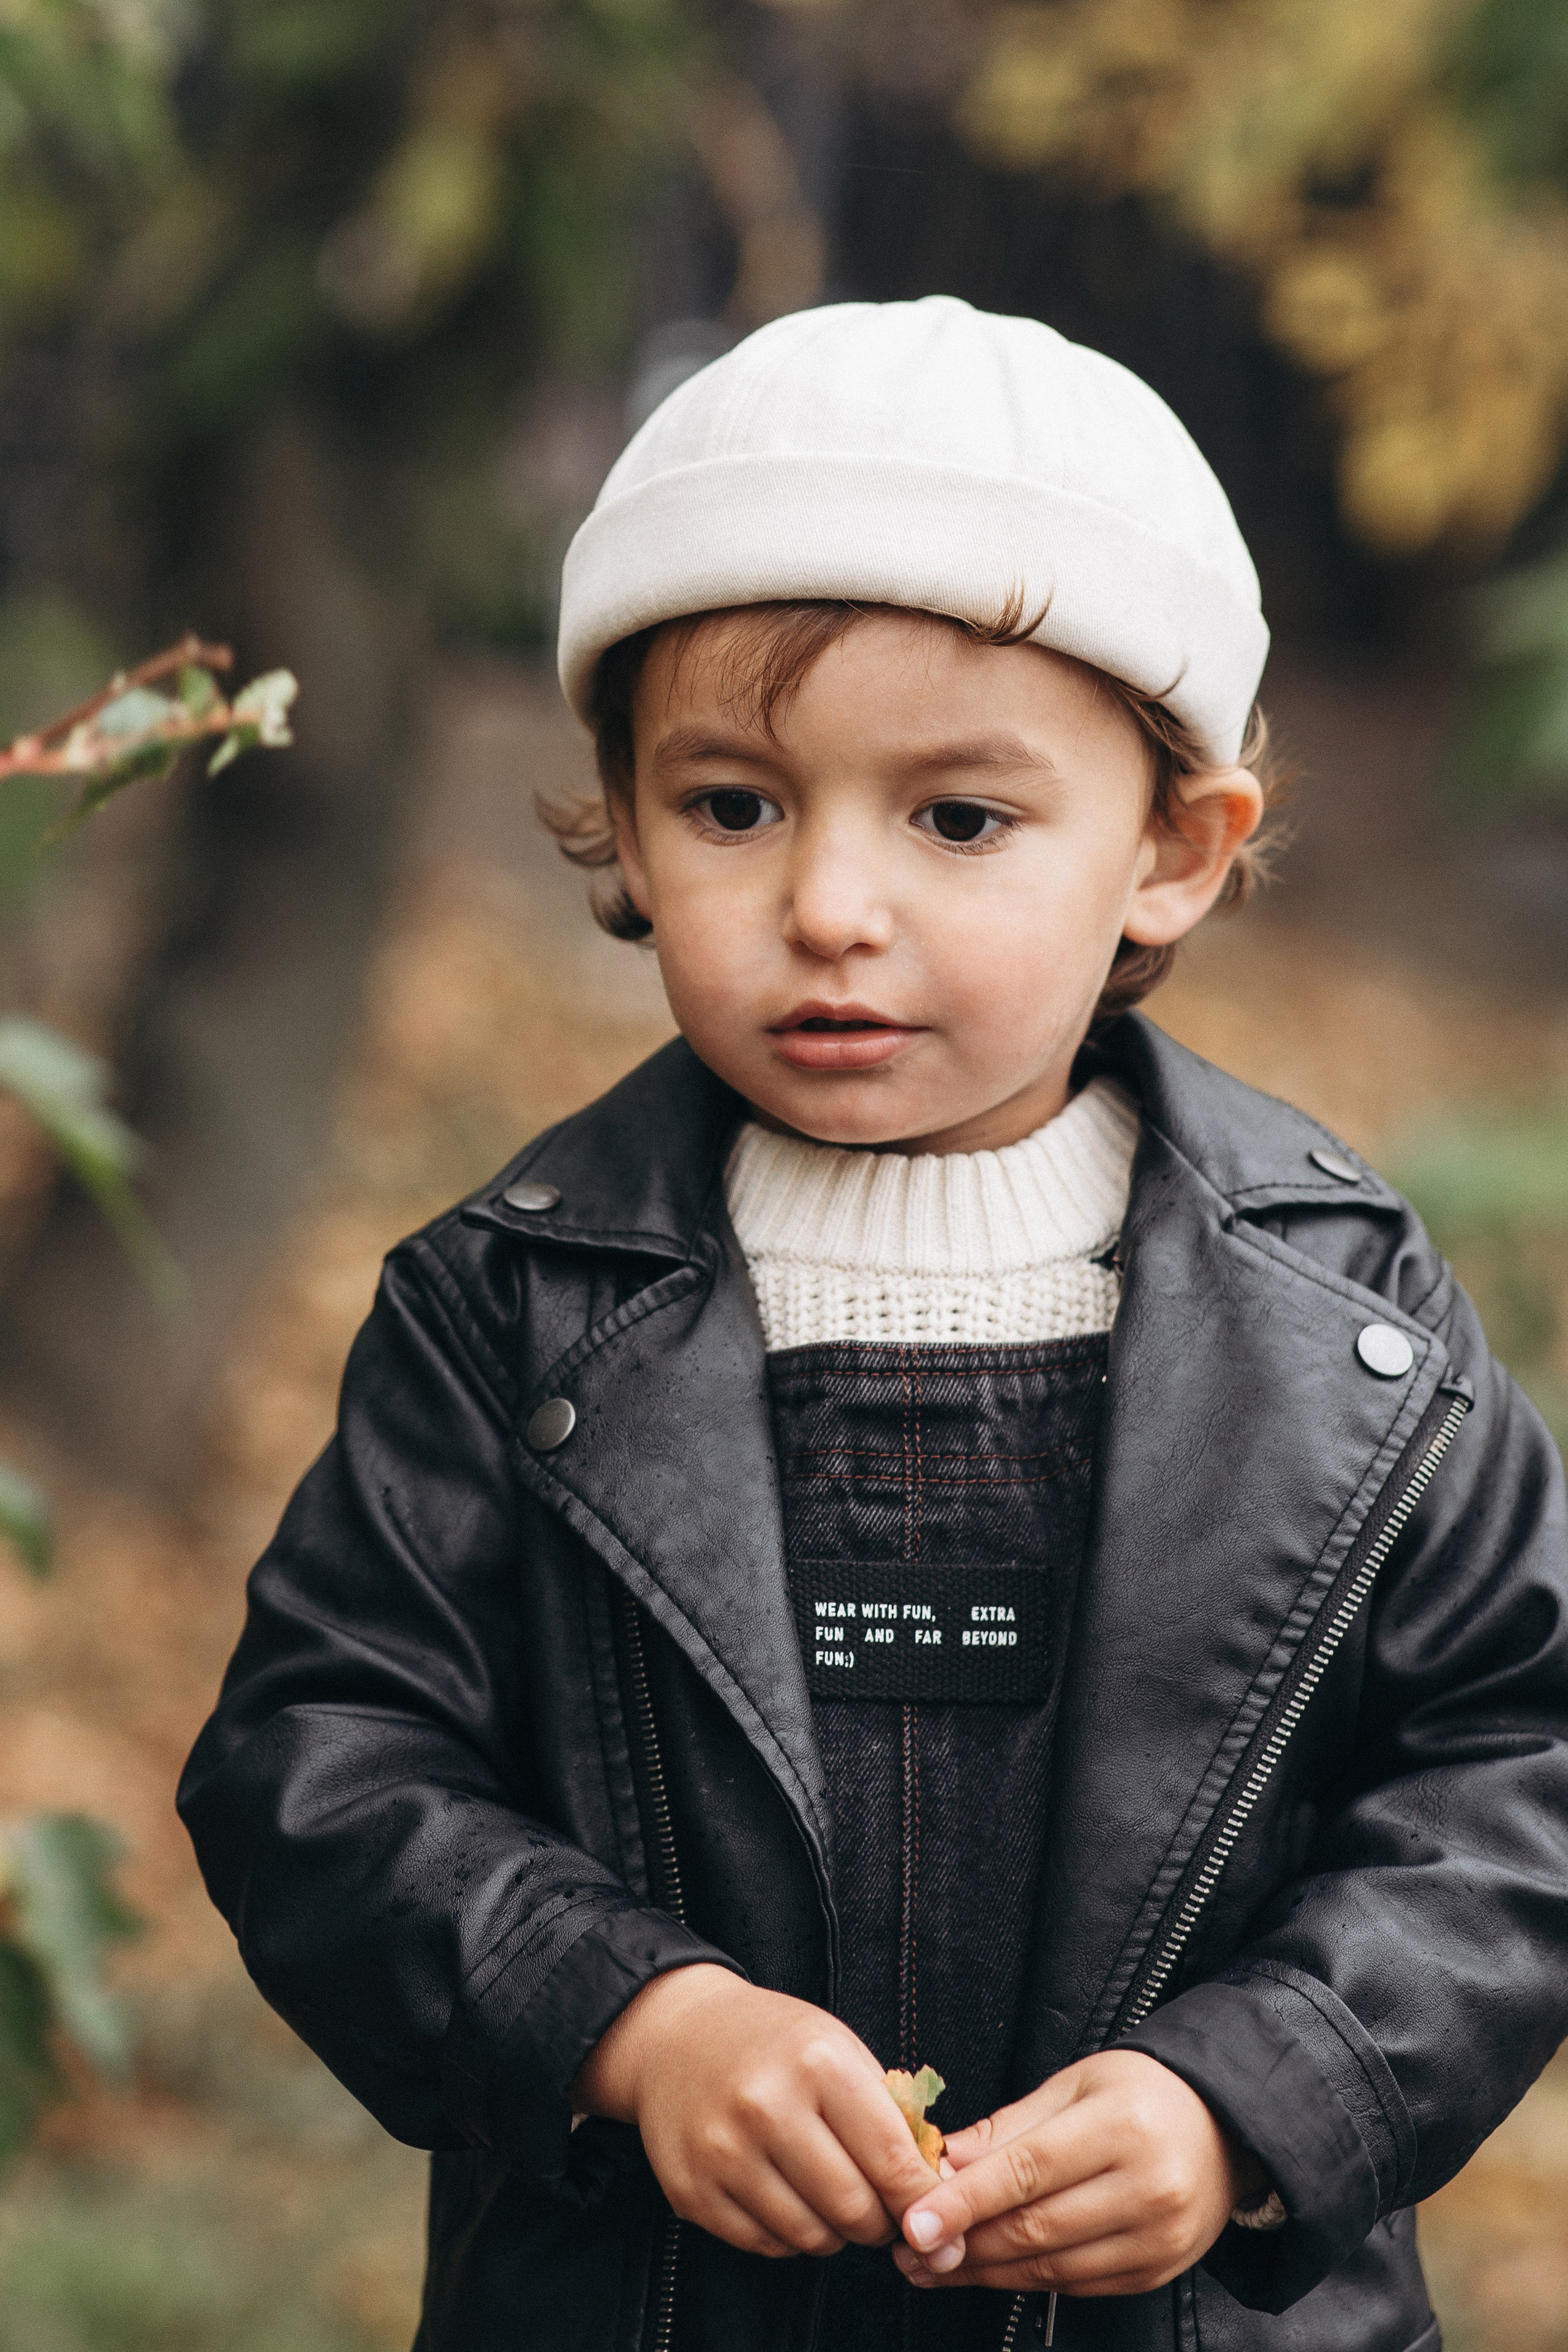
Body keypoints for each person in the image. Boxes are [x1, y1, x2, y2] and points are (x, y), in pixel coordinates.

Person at [179, 297, 1568, 2352]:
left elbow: (1512, 1768)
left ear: (1171, 854)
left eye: (959, 820)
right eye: (736, 805)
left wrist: (1255, 2094)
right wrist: (627, 2018)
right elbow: (321, 1756)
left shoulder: (1342, 1332)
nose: (833, 902)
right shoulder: (514, 1308)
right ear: (630, 827)